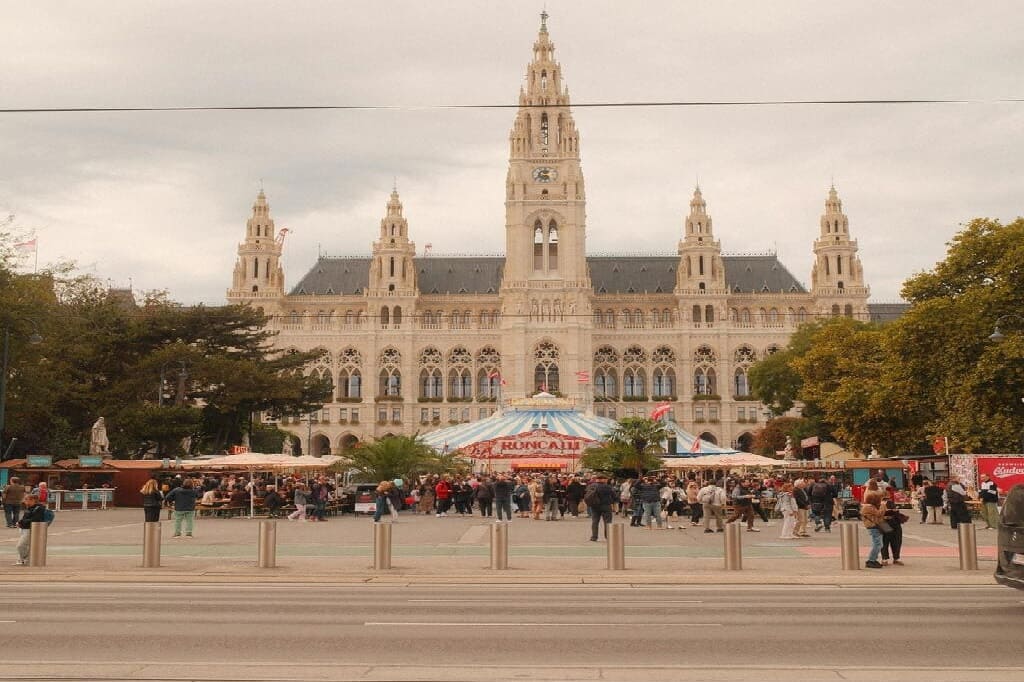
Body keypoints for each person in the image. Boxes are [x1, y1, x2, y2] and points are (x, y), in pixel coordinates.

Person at [14, 493, 47, 565]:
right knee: (26, 545)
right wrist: (20, 522)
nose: (24, 501)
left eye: (26, 499)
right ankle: (24, 559)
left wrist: (23, 522)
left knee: (21, 545)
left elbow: (35, 519)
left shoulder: (39, 508)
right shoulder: (29, 507)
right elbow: (25, 518)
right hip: (23, 528)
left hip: (30, 529)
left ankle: (26, 559)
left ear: (33, 500)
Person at [585, 473, 618, 541]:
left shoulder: (591, 486)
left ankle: (594, 537)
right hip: (606, 506)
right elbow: (615, 496)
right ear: (604, 479)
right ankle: (608, 537)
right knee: (607, 522)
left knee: (595, 521)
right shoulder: (608, 487)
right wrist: (613, 502)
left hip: (594, 506)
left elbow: (586, 494)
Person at [861, 491, 885, 568]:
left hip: (874, 526)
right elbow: (879, 514)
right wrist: (883, 506)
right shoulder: (868, 507)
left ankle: (873, 559)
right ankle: (871, 560)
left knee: (879, 544)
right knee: (878, 544)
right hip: (873, 526)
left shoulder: (870, 506)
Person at [880, 499, 906, 565]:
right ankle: (885, 558)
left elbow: (896, 512)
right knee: (885, 541)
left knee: (896, 540)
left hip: (894, 522)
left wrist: (894, 511)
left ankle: (895, 558)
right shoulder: (878, 503)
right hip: (884, 523)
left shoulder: (890, 502)